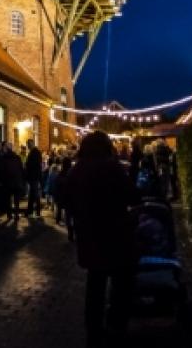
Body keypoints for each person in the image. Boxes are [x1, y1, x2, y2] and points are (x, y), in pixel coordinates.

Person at [67, 131, 141, 346]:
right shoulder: (111, 167)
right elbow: (132, 195)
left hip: (89, 237)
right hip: (115, 234)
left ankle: (93, 332)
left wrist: (80, 215)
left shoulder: (77, 170)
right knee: (122, 283)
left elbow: (65, 198)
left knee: (95, 286)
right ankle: (115, 326)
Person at [1, 142, 25, 219]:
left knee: (8, 199)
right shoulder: (17, 157)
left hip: (8, 182)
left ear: (6, 149)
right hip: (17, 181)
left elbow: (2, 170)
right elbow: (21, 169)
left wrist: (2, 180)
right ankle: (16, 214)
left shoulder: (4, 158)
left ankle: (9, 215)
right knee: (16, 199)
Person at [24, 139, 43, 217]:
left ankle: (36, 211)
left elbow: (34, 165)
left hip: (34, 176)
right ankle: (30, 211)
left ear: (31, 144)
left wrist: (27, 165)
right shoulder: (34, 152)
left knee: (35, 194)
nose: (27, 146)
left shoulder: (35, 153)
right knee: (32, 194)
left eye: (28, 144)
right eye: (27, 144)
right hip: (33, 176)